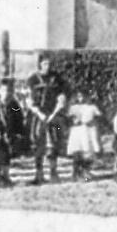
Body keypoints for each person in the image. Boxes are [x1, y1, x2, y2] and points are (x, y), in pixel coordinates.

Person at [26, 53, 72, 184]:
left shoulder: (57, 79)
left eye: (49, 63)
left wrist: (54, 113)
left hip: (54, 115)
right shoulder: (33, 79)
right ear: (40, 64)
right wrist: (39, 113)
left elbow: (62, 97)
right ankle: (38, 174)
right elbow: (29, 100)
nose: (47, 66)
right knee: (38, 144)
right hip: (38, 116)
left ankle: (53, 172)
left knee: (54, 143)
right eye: (45, 63)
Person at [65, 94, 104, 181]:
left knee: (87, 152)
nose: (81, 98)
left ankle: (86, 171)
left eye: (83, 96)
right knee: (77, 151)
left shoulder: (91, 107)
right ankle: (76, 173)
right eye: (78, 97)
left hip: (88, 131)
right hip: (77, 131)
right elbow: (68, 118)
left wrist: (93, 120)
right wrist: (73, 121)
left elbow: (99, 116)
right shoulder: (73, 108)